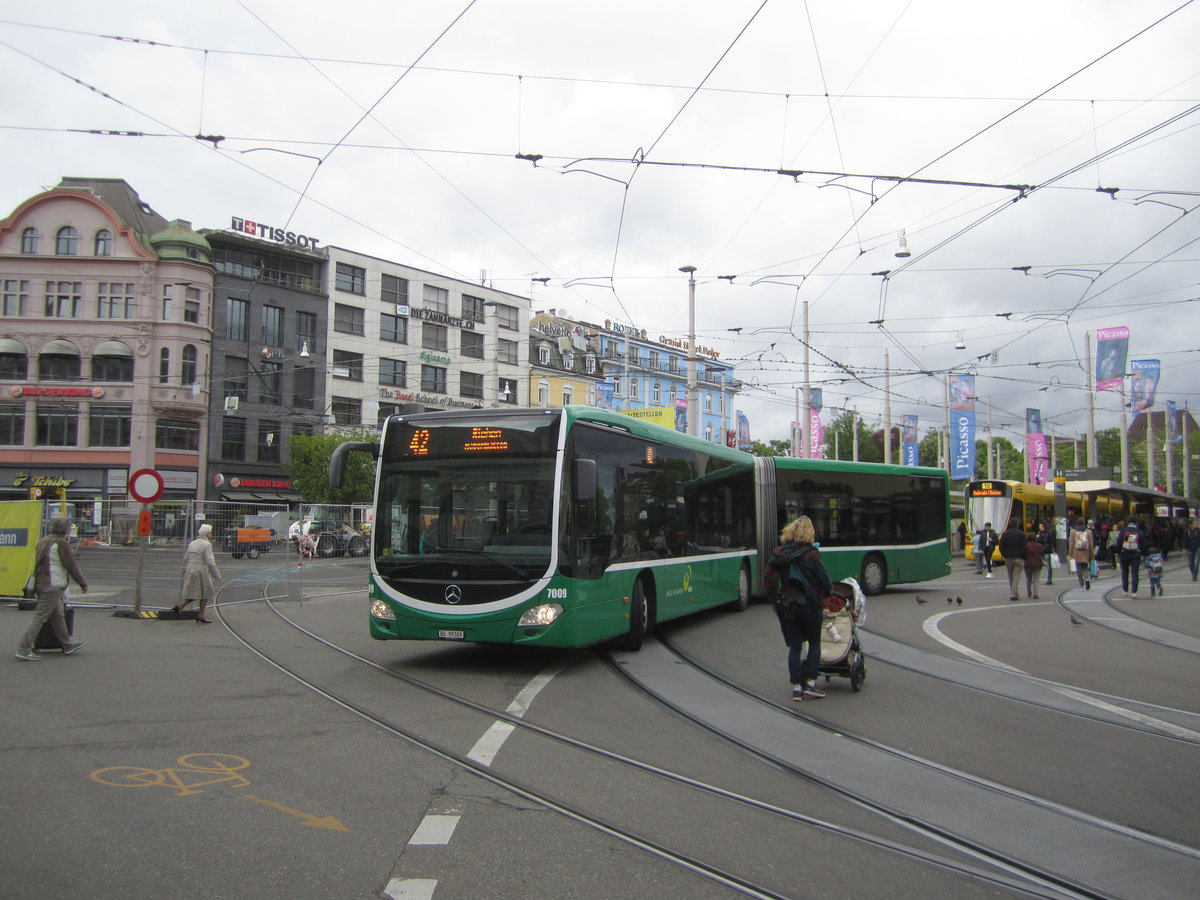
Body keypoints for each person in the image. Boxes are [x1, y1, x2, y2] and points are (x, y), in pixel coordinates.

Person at [766, 515, 832, 702]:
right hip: (810, 605)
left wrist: (775, 600)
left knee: (795, 646)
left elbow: (768, 578)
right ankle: (810, 683)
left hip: (788, 605)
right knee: (814, 642)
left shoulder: (779, 553)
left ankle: (796, 687)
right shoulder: (811, 554)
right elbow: (823, 579)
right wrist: (827, 592)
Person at [15, 517, 88, 661]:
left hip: (41, 583)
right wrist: (82, 583)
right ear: (66, 530)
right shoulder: (61, 543)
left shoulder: (43, 541)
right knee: (40, 616)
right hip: (53, 584)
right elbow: (71, 565)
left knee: (56, 614)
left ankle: (67, 643)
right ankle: (24, 648)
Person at [175, 523, 222, 623]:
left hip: (191, 568)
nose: (211, 534)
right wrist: (216, 575)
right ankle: (198, 613)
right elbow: (210, 561)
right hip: (201, 570)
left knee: (194, 591)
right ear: (206, 534)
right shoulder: (207, 544)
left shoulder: (193, 543)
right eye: (210, 532)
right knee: (205, 592)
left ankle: (184, 608)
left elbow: (186, 556)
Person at [998, 518, 1028, 602]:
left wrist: (1005, 555)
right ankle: (1014, 594)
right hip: (1019, 558)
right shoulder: (1021, 534)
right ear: (1017, 524)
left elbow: (1001, 547)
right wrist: (1024, 557)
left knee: (1010, 576)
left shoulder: (1005, 534)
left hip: (1008, 558)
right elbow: (1024, 547)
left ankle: (1013, 592)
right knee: (1016, 576)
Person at [1116, 519, 1145, 596]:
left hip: (1124, 553)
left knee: (1125, 572)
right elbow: (1143, 544)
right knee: (1135, 573)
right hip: (1136, 554)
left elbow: (1118, 543)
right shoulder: (1139, 532)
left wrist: (1118, 553)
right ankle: (1134, 592)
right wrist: (1143, 554)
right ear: (1136, 523)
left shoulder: (1123, 531)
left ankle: (1125, 590)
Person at [1067, 517, 1093, 590]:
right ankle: (1087, 578)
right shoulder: (1088, 531)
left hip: (1076, 551)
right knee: (1085, 566)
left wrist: (1070, 553)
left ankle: (1081, 584)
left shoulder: (1073, 531)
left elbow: (1071, 543)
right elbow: (1090, 543)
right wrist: (1091, 553)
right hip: (1085, 551)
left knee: (1078, 568)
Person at [1023, 532, 1044, 599]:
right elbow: (1041, 553)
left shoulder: (1026, 546)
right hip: (1037, 565)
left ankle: (1029, 593)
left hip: (1027, 565)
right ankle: (1035, 593)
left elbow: (1024, 555)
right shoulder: (1040, 546)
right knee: (1036, 579)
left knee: (1028, 579)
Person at [1038, 521, 1056, 586]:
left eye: (1041, 526)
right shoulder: (1039, 533)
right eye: (1039, 526)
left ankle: (1049, 579)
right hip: (1041, 550)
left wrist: (1052, 550)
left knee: (1048, 565)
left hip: (1047, 550)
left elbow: (1051, 542)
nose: (1040, 528)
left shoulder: (1048, 533)